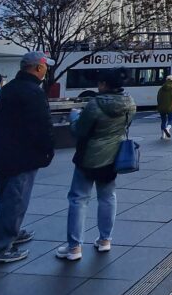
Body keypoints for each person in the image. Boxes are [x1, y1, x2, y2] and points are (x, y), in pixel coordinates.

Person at [56, 69, 136, 261]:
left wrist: (74, 118)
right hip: (113, 157)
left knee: (78, 199)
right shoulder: (130, 103)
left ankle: (74, 247)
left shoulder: (94, 105)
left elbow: (79, 131)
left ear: (103, 84)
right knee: (108, 197)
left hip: (88, 157)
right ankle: (105, 240)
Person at [0, 52, 54, 266]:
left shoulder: (9, 88)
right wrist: (47, 150)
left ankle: (11, 232)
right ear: (37, 68)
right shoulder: (33, 92)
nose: (47, 70)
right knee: (15, 200)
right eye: (45, 66)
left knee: (7, 195)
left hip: (3, 152)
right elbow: (41, 125)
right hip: (23, 155)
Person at [156, 75, 172, 140]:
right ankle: (167, 129)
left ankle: (163, 136)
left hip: (161, 108)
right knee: (171, 120)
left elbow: (158, 98)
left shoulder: (161, 88)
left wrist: (159, 106)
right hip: (170, 107)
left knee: (163, 121)